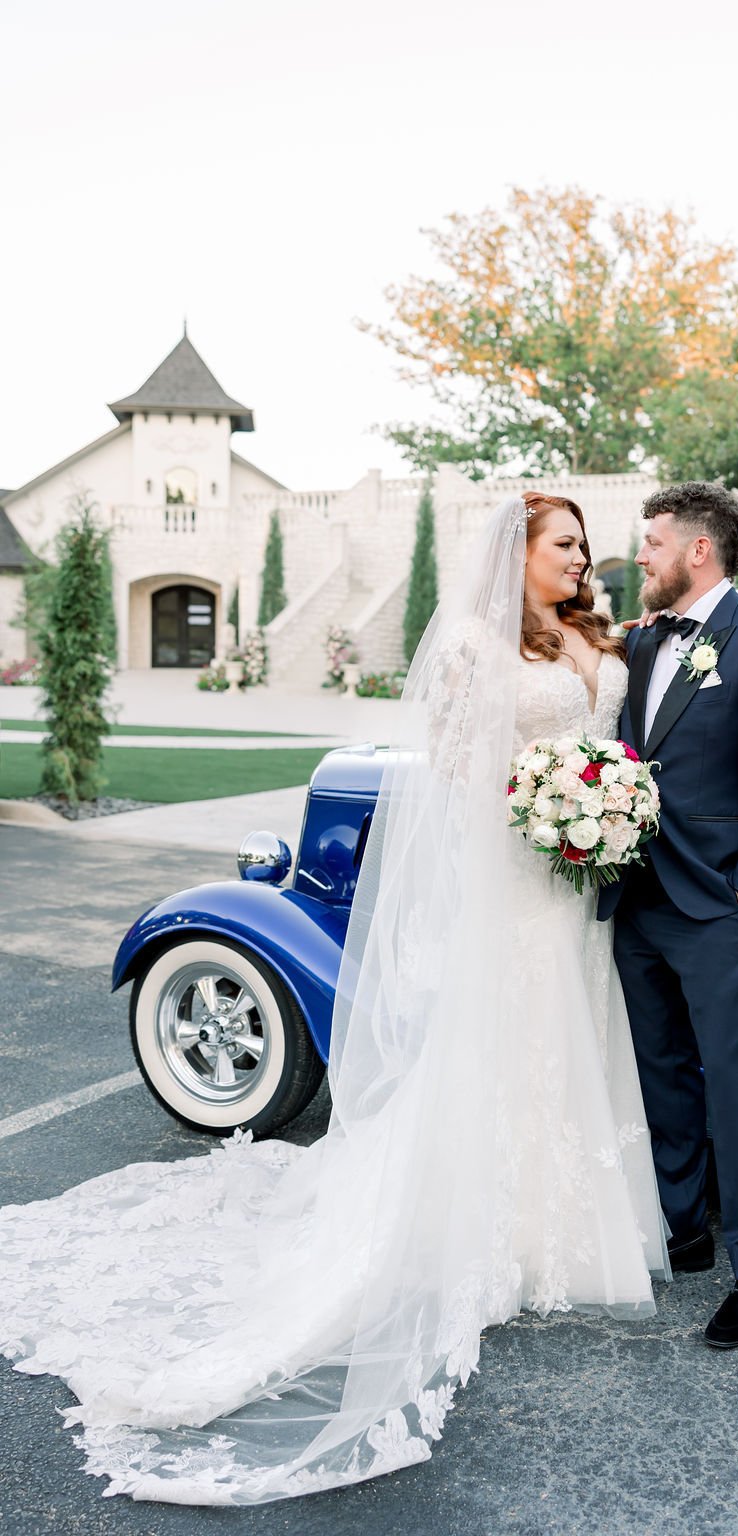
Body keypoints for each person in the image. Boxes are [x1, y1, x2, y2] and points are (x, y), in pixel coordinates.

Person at [0, 493, 668, 1506]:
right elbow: (453, 773)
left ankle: (564, 1213)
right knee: (512, 1036)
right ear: (516, 555)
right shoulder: (475, 654)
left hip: (583, 880)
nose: (581, 560)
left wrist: (603, 801)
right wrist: (546, 810)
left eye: (583, 546)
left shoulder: (590, 637)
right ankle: (507, 1225)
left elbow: (607, 732)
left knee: (573, 1031)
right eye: (563, 545)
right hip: (528, 869)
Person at [599, 482, 738, 1349]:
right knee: (662, 1074)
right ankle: (685, 1229)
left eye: (652, 542)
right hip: (636, 895)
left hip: (715, 902)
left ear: (698, 550)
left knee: (732, 1085)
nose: (641, 556)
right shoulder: (647, 643)